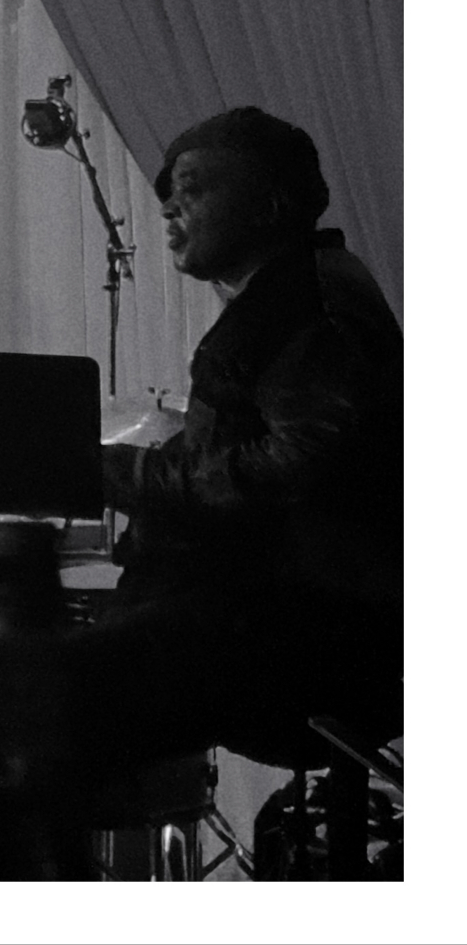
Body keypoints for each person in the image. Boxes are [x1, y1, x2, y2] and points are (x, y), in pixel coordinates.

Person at [67, 106, 402, 777]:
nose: (169, 210)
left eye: (192, 189)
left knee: (20, 715)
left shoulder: (312, 307)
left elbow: (298, 463)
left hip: (311, 640)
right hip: (281, 621)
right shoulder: (302, 291)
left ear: (268, 205)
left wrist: (119, 472)